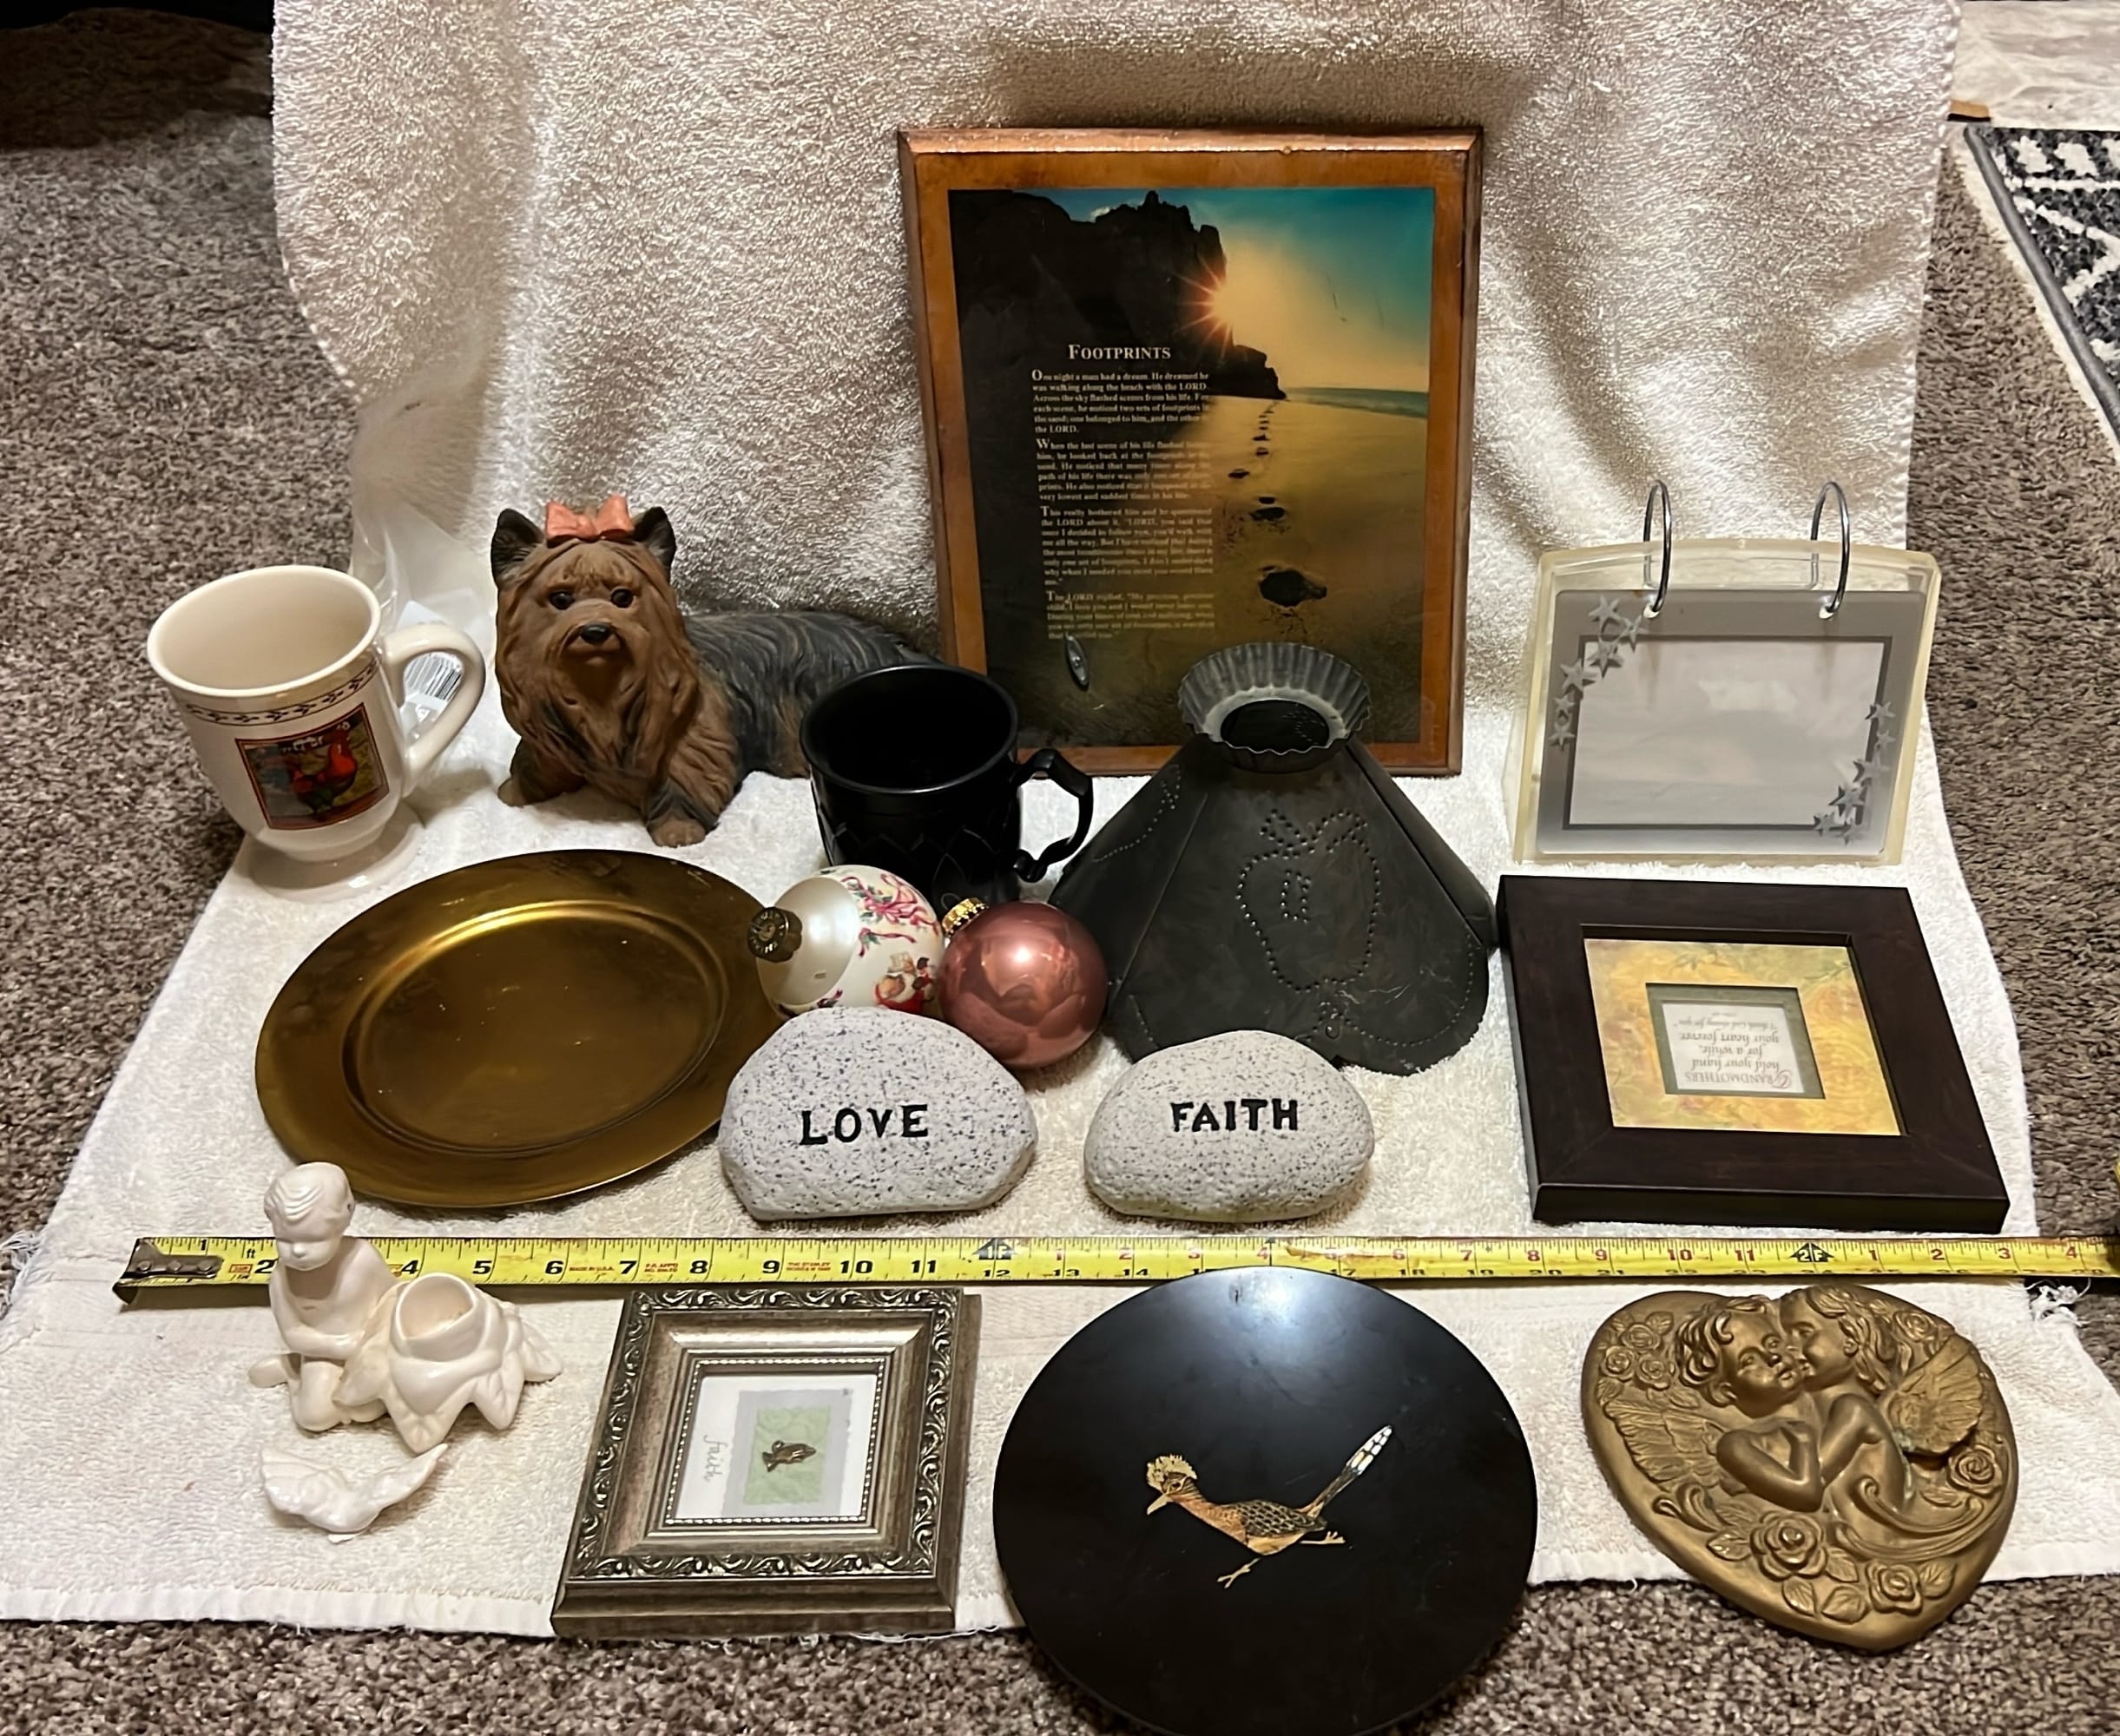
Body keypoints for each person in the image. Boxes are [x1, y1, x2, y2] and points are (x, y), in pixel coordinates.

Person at [249, 1163, 395, 1430]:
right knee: (315, 1418)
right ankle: (293, 1370)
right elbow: (293, 1333)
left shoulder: (364, 1258)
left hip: (370, 1349)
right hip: (323, 1352)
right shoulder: (282, 1277)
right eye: (285, 1240)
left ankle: (308, 1375)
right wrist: (339, 1346)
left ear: (346, 1214)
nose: (298, 1251)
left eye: (315, 1239)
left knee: (375, 1407)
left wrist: (378, 1340)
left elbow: (392, 1298)